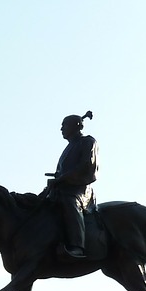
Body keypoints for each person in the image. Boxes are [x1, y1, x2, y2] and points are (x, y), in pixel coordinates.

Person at [44, 110, 98, 258]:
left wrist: (61, 179)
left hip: (80, 189)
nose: (61, 129)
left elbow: (86, 166)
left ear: (77, 126)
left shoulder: (88, 142)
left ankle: (77, 246)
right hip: (63, 187)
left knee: (69, 202)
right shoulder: (69, 147)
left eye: (64, 125)